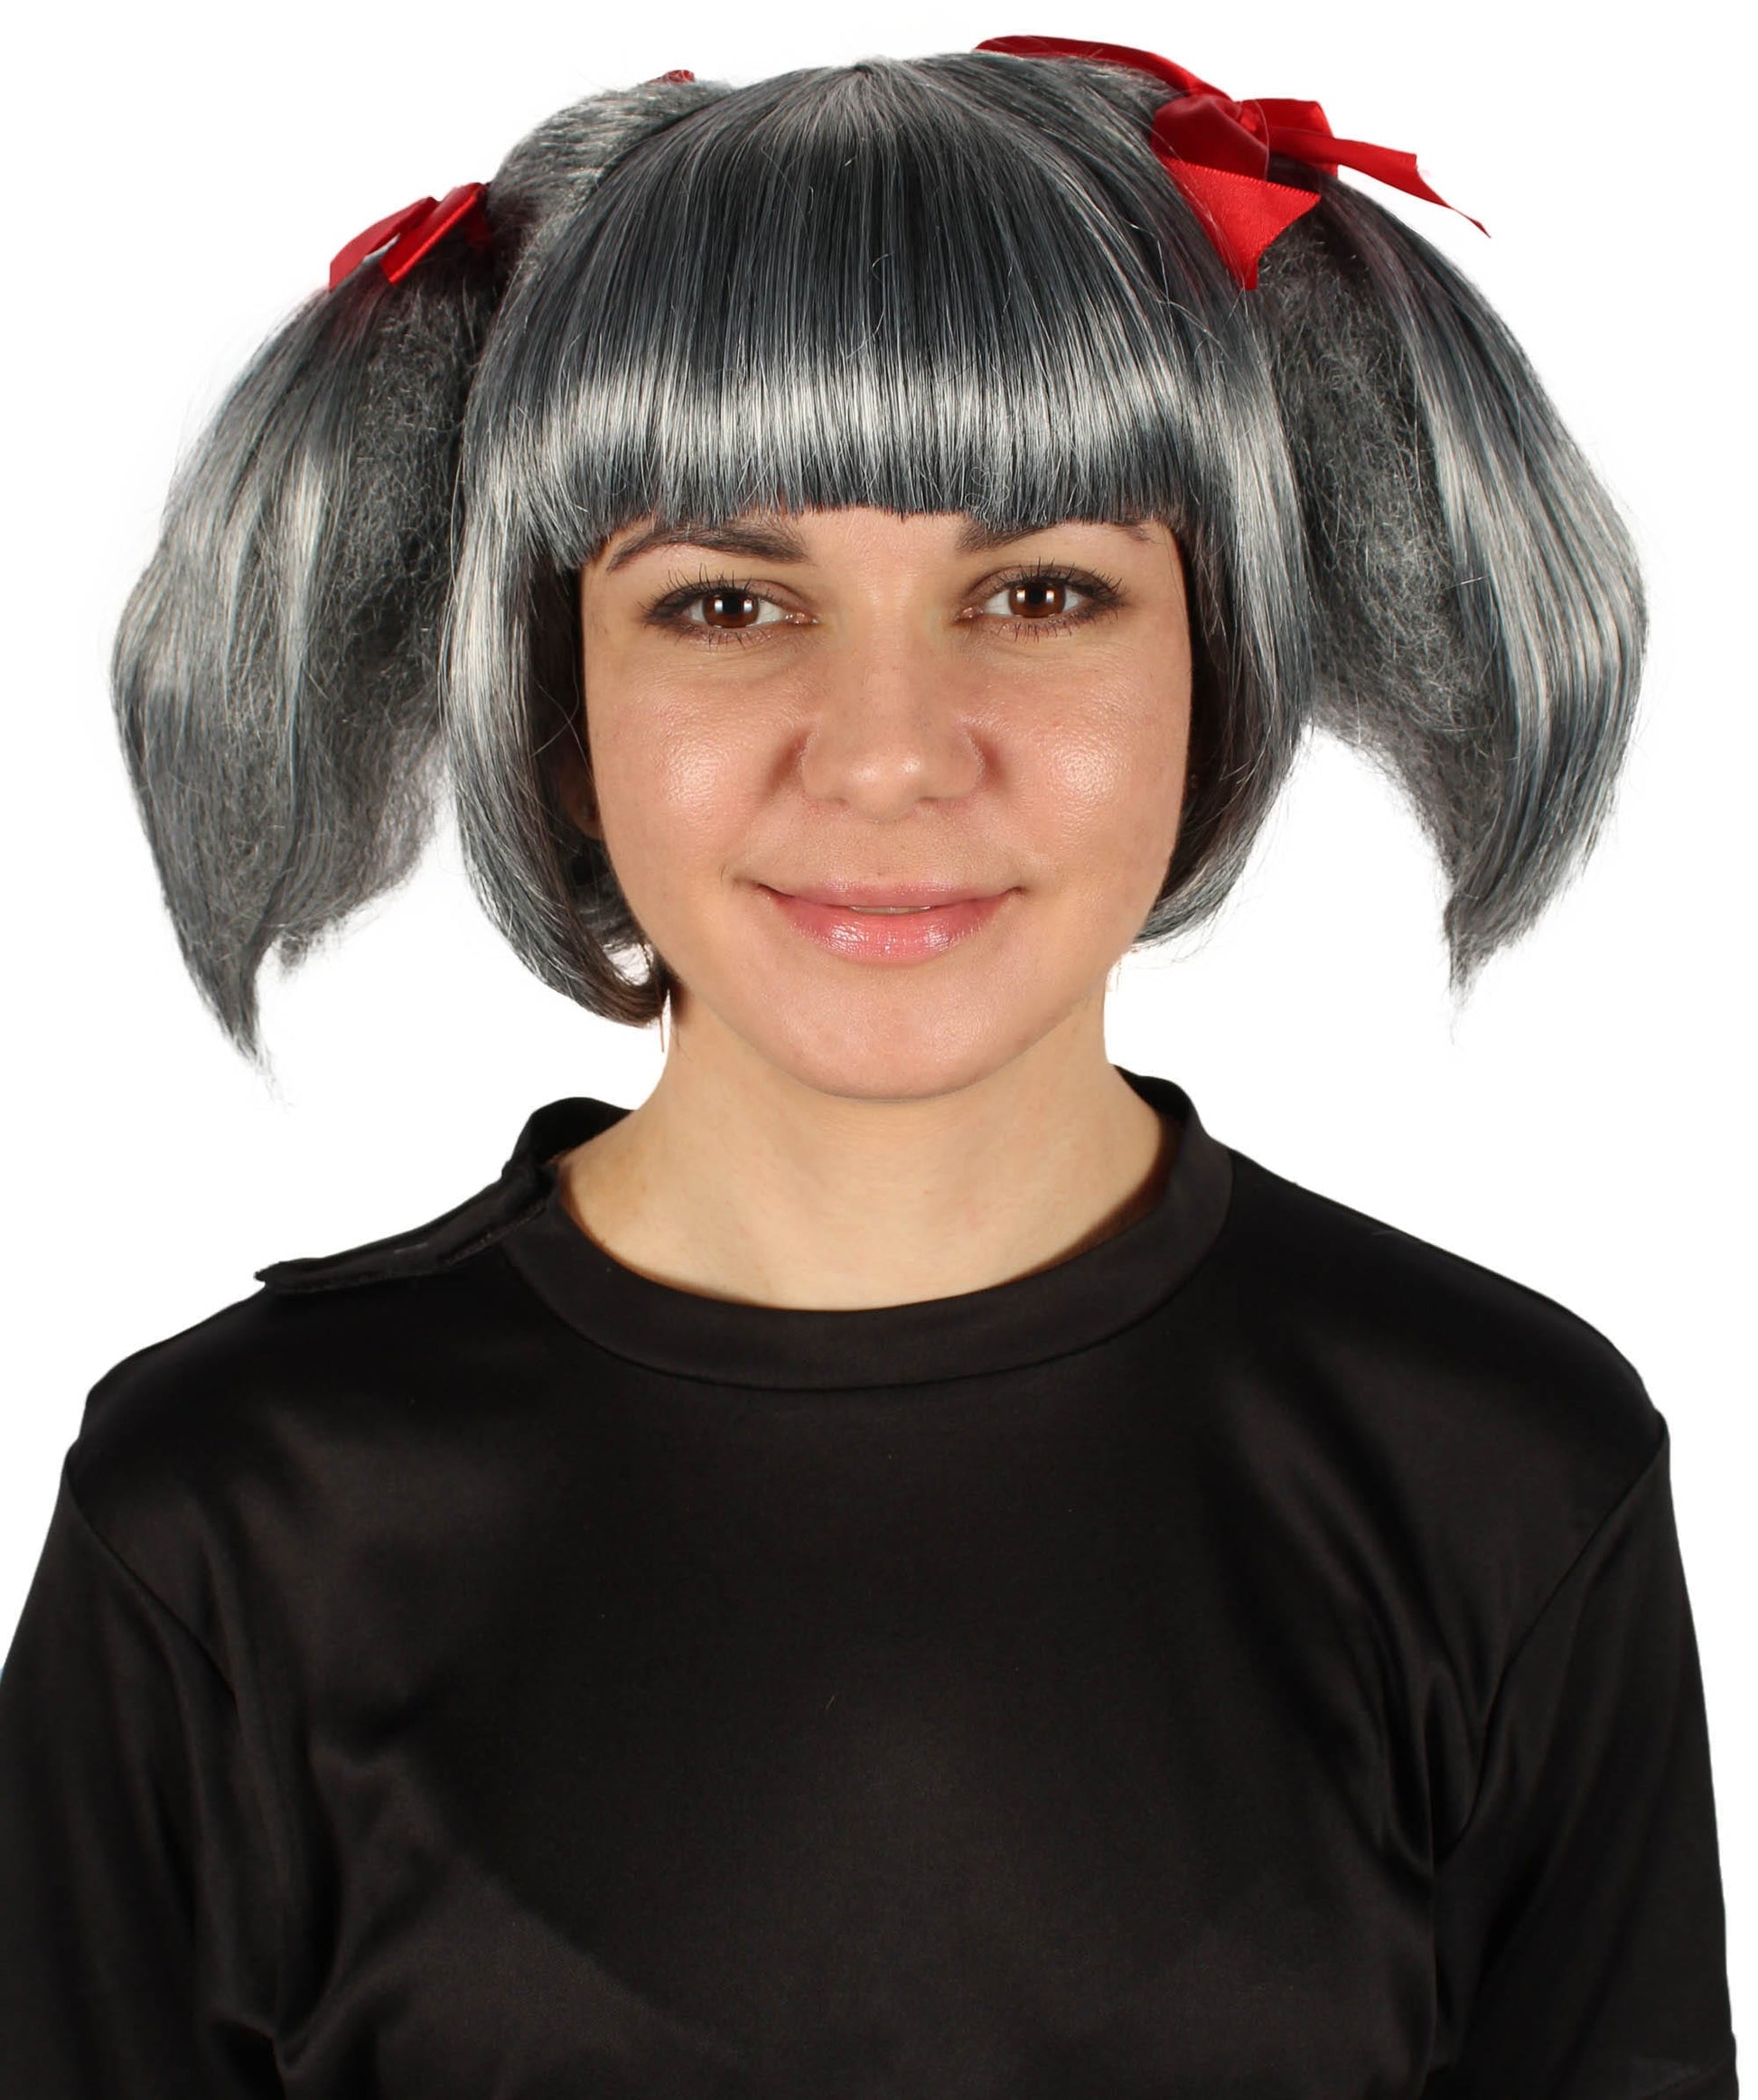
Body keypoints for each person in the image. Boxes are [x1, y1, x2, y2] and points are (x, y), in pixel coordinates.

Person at [0, 35, 1739, 2100]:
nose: (892, 754)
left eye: (1041, 590)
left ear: (1223, 665)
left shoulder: (1495, 1472)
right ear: (554, 696)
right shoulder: (231, 1515)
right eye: (729, 602)